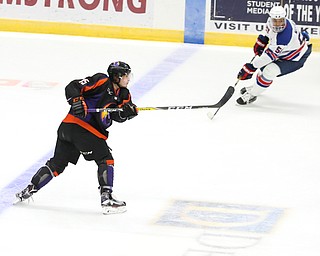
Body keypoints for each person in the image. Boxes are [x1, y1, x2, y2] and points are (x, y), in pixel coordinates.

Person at [15, 61, 138, 215]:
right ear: (117, 76)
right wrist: (76, 100)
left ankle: (29, 189)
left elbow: (117, 115)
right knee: (106, 159)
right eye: (126, 76)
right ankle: (107, 199)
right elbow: (73, 87)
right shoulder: (101, 81)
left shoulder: (124, 94)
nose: (128, 79)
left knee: (56, 164)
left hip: (68, 129)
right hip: (83, 130)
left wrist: (127, 113)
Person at [236, 5, 312, 105]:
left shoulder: (284, 37)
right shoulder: (269, 22)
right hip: (285, 52)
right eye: (275, 21)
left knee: (269, 71)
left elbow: (269, 57)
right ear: (271, 19)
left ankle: (252, 94)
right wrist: (262, 41)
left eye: (280, 21)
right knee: (263, 66)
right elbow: (268, 33)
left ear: (284, 18)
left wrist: (250, 67)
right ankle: (256, 86)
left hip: (295, 58)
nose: (278, 24)